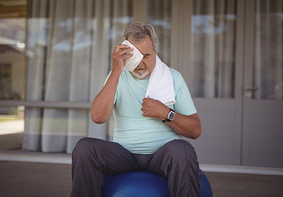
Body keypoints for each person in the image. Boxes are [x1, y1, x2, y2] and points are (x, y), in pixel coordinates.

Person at [70, 22, 202, 197]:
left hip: (162, 155)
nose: (140, 63)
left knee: (182, 149)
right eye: (135, 56)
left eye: (146, 56)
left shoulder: (173, 78)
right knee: (84, 147)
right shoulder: (116, 76)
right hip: (124, 155)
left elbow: (195, 130)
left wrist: (166, 113)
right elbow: (98, 117)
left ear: (155, 52)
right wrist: (116, 70)